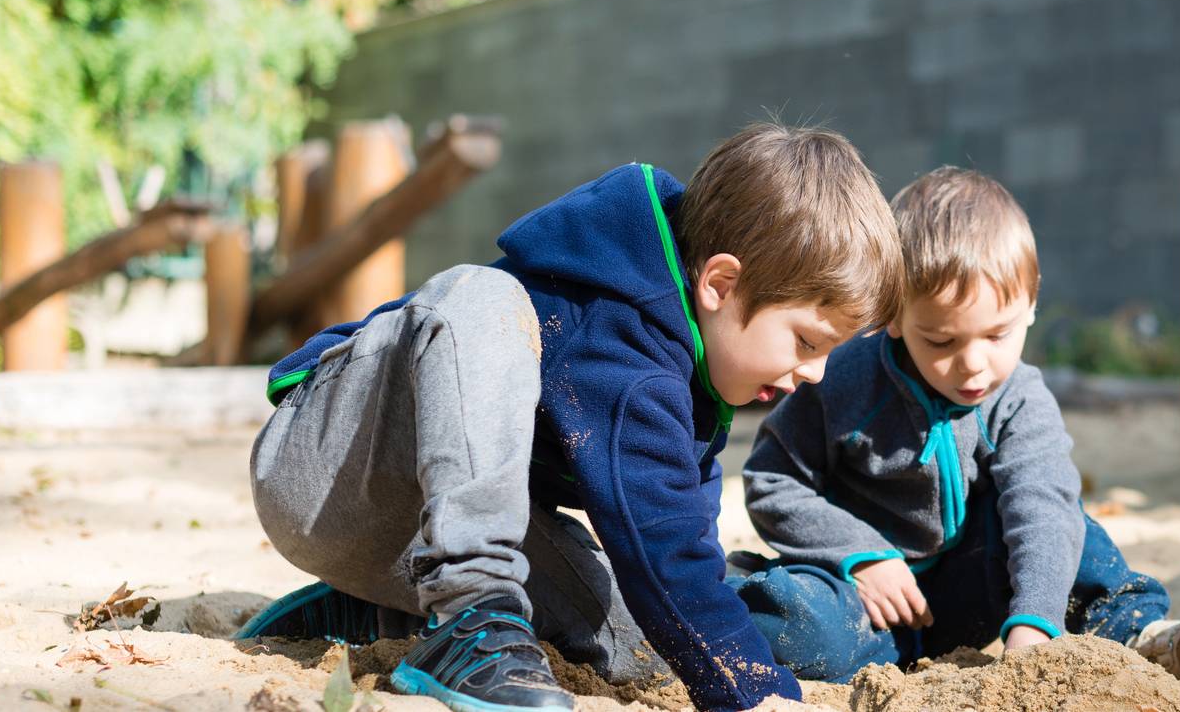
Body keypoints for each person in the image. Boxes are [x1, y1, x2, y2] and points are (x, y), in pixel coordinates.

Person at [241, 123, 906, 711]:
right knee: (484, 297)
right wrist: (755, 694)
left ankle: (386, 613)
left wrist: (744, 659)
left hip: (416, 534)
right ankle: (476, 612)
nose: (815, 372)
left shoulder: (696, 374)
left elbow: (675, 555)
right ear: (720, 285)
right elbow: (665, 552)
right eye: (808, 342)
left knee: (640, 641)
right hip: (330, 462)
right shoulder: (616, 327)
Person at [734, 166, 1180, 682]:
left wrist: (1035, 625)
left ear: (1030, 305)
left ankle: (1143, 636)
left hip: (973, 586)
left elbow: (1040, 507)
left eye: (997, 335)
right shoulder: (841, 380)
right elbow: (771, 480)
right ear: (890, 314)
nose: (973, 364)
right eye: (941, 341)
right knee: (800, 625)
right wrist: (861, 556)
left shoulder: (1020, 398)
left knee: (1061, 519)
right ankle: (736, 591)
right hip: (866, 603)